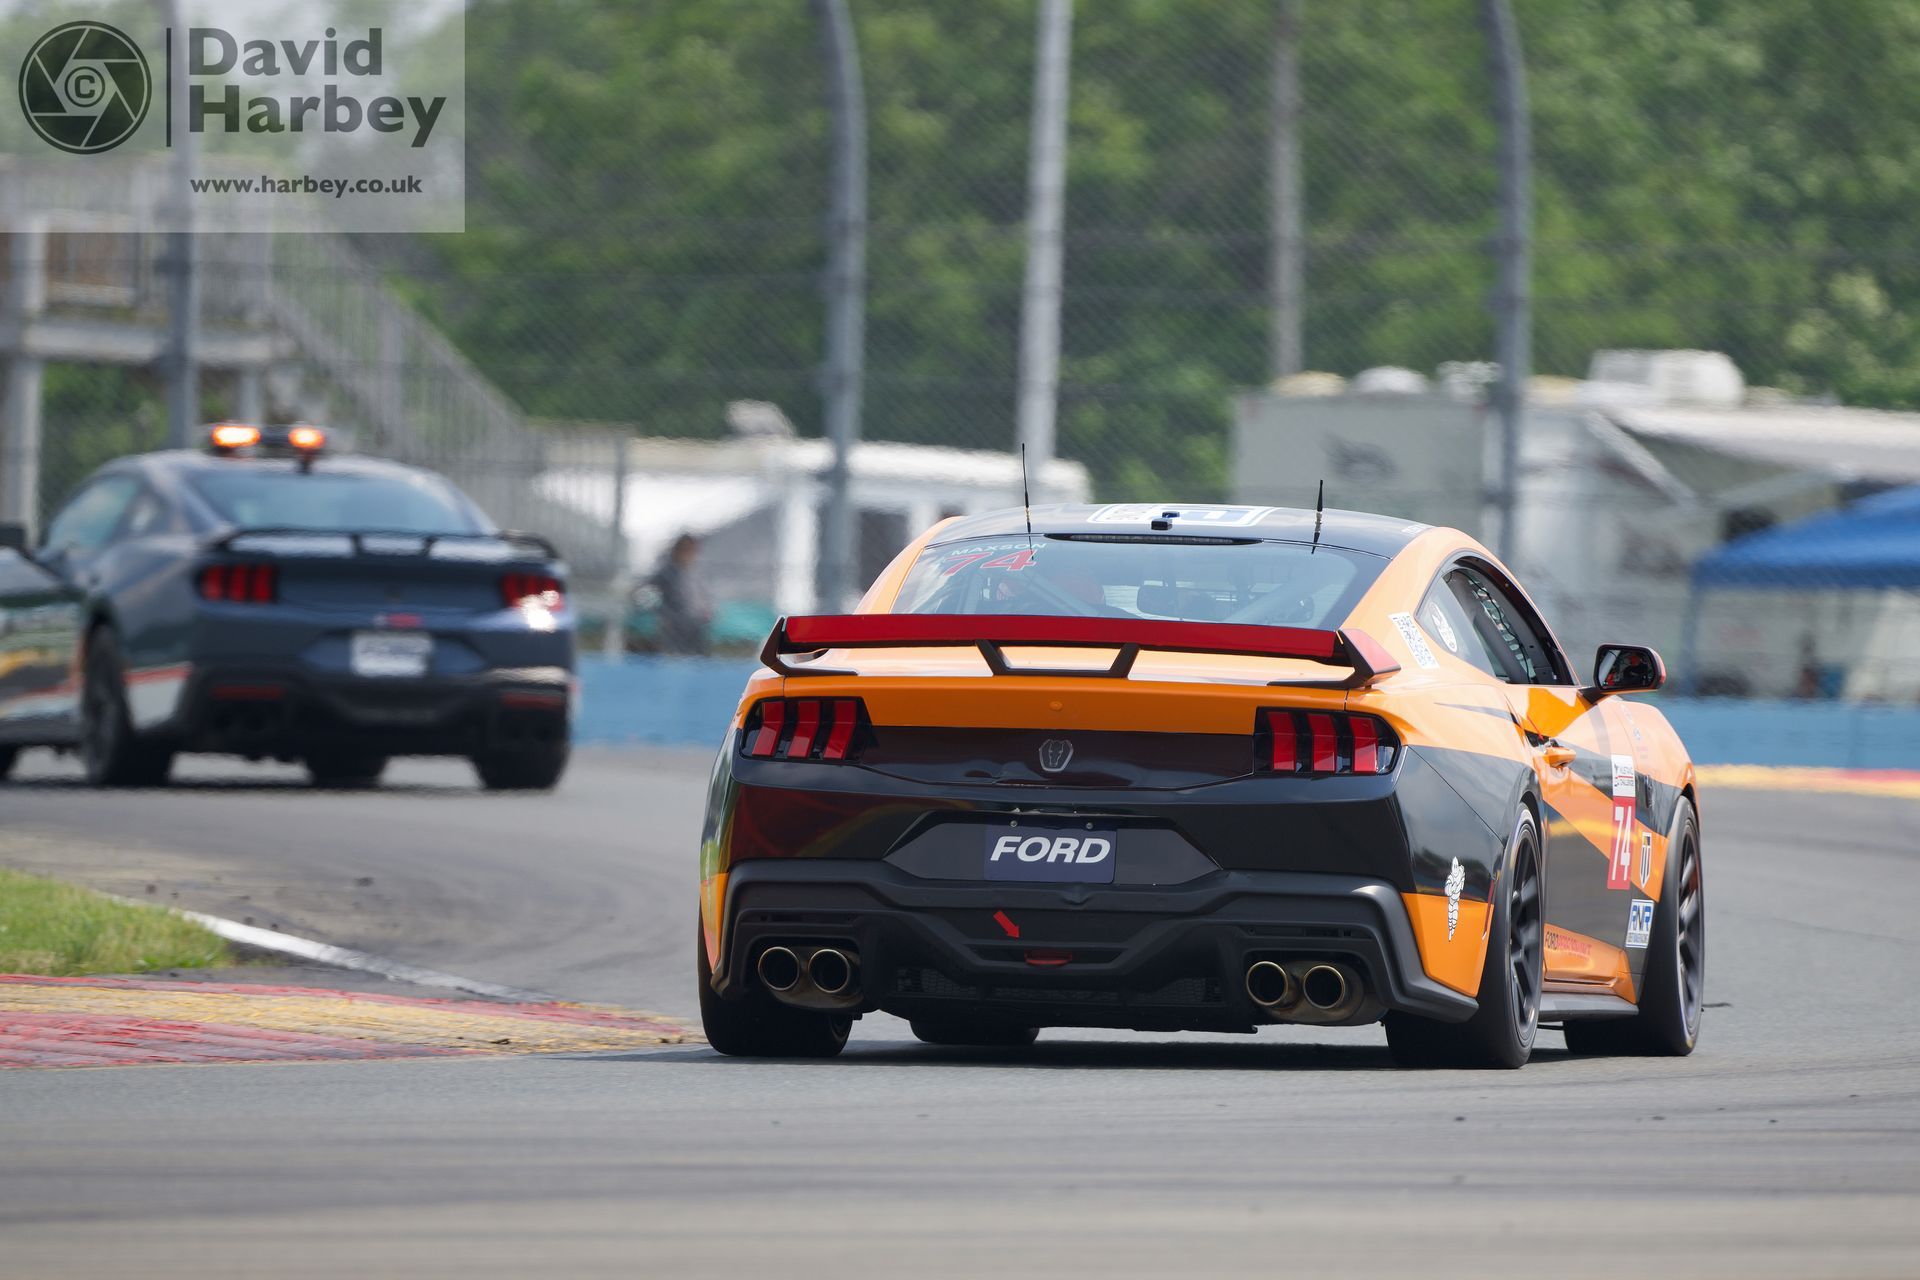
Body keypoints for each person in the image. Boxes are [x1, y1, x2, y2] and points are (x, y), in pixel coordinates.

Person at [648, 533, 713, 655]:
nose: (690, 554)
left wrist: (706, 611)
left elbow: (702, 597)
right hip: (675, 625)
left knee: (699, 657)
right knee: (674, 657)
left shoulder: (696, 573)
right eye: (686, 550)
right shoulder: (666, 573)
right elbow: (648, 593)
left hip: (697, 624)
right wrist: (664, 614)